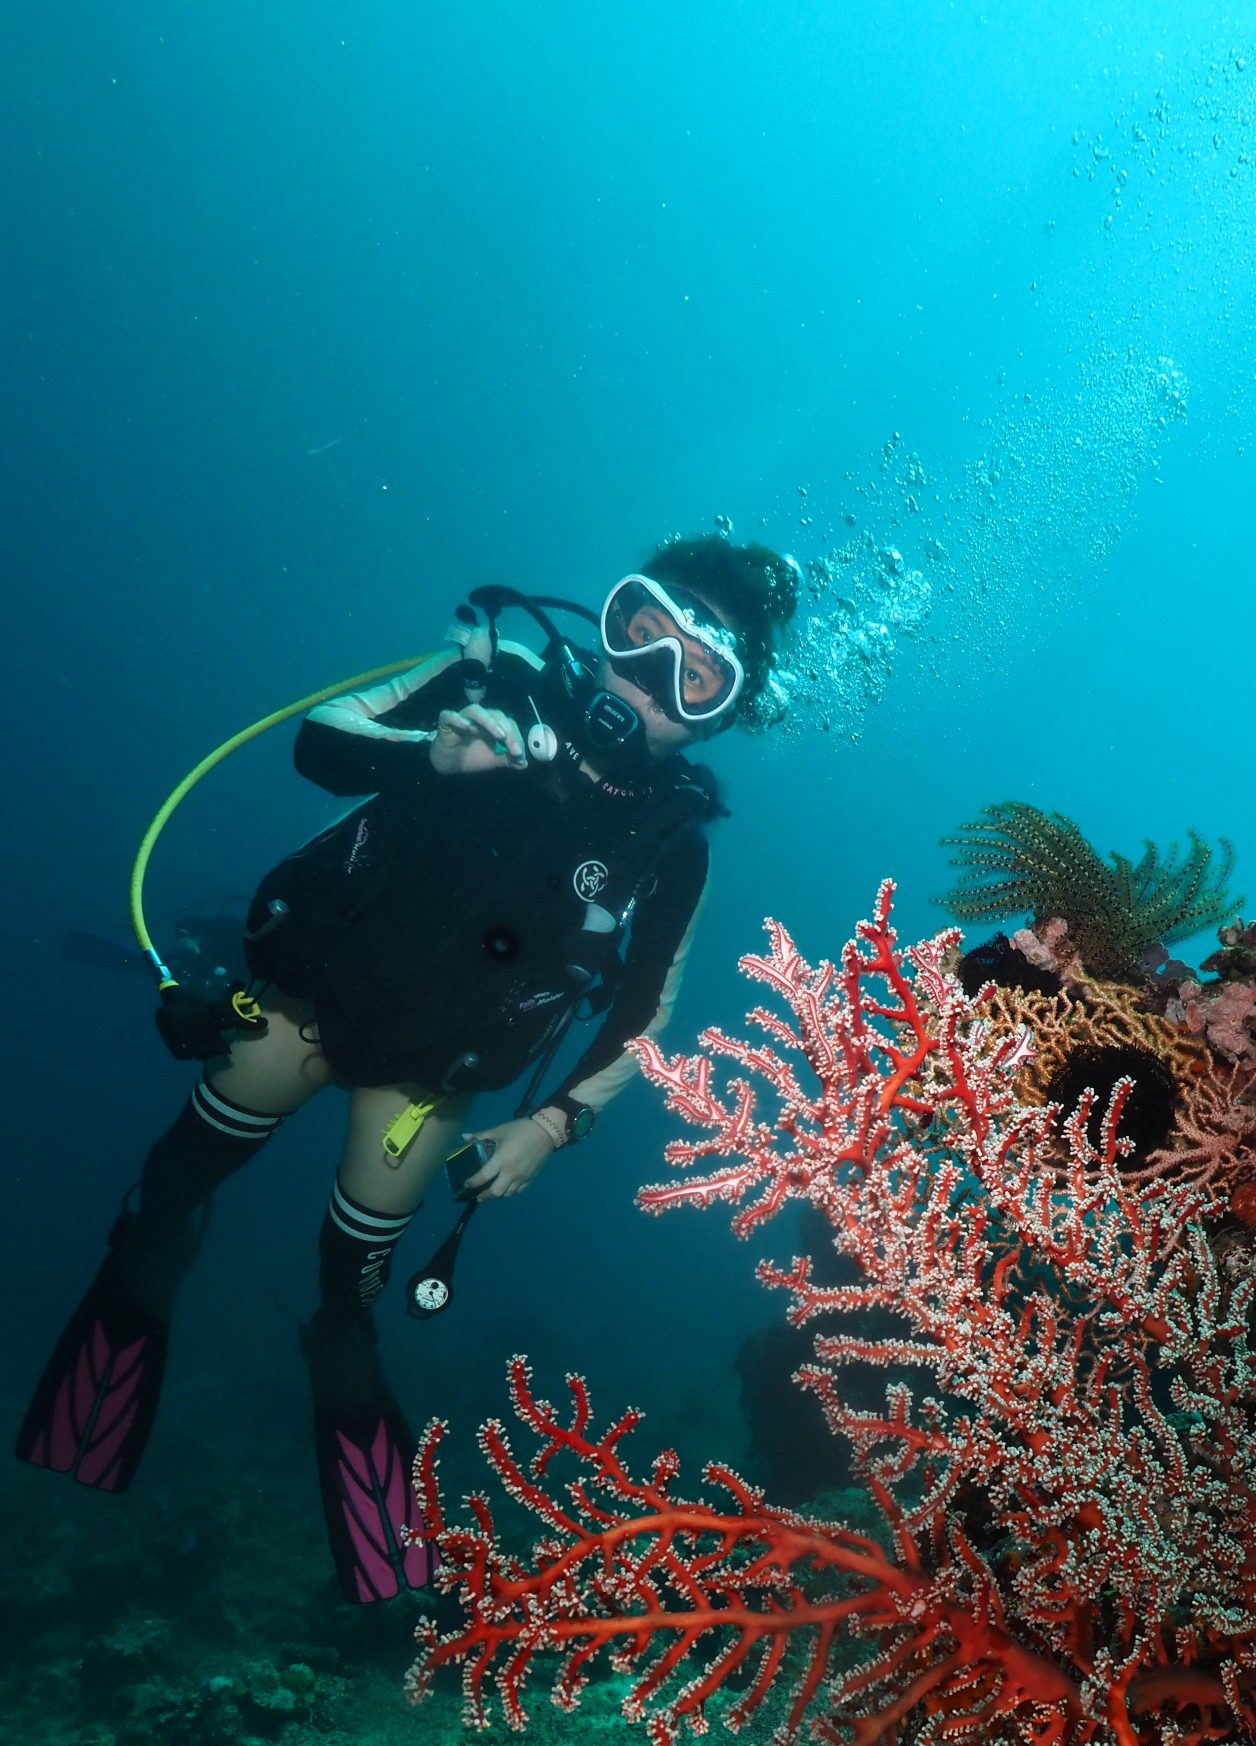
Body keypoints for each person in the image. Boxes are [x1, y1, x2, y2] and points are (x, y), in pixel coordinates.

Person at [18, 537, 799, 1603]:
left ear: (721, 713)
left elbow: (642, 1012)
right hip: (303, 1006)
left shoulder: (673, 845)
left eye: (695, 676)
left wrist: (549, 1126)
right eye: (641, 633)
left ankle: (378, 1550)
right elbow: (320, 742)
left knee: (349, 1295)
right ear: (607, 620)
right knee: (173, 1186)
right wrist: (426, 754)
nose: (649, 677)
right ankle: (114, 1360)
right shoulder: (493, 677)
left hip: (431, 1079)